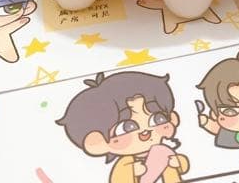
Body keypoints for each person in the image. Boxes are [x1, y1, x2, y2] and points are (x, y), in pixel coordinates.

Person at [57, 71, 189, 183]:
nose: (145, 131)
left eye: (158, 119)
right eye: (127, 127)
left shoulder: (163, 151)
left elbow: (183, 166)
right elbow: (118, 179)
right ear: (97, 142)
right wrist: (132, 171)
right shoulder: (126, 163)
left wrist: (178, 162)